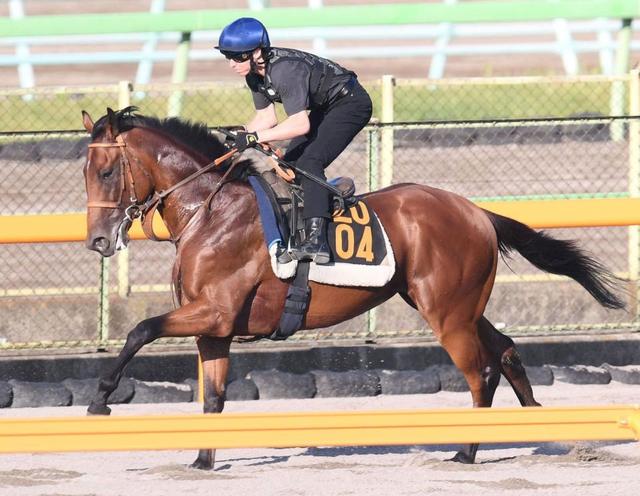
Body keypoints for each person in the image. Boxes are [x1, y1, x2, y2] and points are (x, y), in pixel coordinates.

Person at [216, 17, 373, 265]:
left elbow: (300, 124)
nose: (231, 64)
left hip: (351, 103)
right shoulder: (254, 77)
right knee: (289, 165)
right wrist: (237, 137)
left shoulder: (284, 71)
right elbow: (265, 118)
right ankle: (311, 210)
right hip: (326, 106)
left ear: (257, 52)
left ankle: (316, 239)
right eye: (227, 56)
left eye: (237, 57)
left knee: (310, 160)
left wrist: (255, 137)